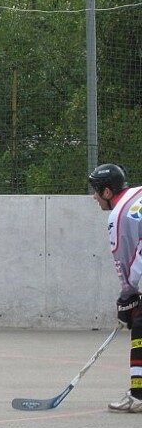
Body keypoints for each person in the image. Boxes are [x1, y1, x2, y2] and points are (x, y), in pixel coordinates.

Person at [89, 163, 142, 413]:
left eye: (96, 191)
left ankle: (138, 396)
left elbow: (123, 260)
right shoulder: (139, 194)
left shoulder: (118, 215)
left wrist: (127, 298)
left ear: (108, 192)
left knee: (141, 325)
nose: (94, 197)